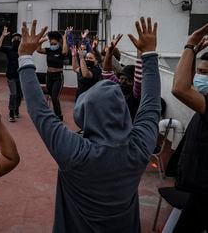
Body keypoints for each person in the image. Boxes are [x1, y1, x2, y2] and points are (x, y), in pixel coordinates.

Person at [18, 18, 160, 232]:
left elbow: (39, 110)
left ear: (84, 115)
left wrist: (25, 55)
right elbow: (151, 105)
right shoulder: (139, 147)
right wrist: (149, 54)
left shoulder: (74, 151)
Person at [171, 24, 208, 233]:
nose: (199, 77)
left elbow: (180, 88)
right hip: (199, 188)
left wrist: (190, 43)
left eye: (204, 73)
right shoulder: (203, 99)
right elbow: (189, 85)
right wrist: (192, 53)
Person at [102, 34, 143, 121]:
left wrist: (140, 51)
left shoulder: (135, 94)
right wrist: (109, 52)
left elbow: (139, 78)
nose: (123, 82)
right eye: (121, 78)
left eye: (128, 80)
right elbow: (106, 72)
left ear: (134, 82)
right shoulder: (118, 86)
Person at [36, 30, 69, 121]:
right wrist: (42, 40)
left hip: (58, 77)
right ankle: (53, 114)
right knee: (50, 95)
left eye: (54, 43)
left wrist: (64, 38)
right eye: (51, 43)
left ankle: (59, 115)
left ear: (58, 43)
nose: (53, 45)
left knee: (55, 97)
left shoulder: (61, 50)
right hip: (49, 76)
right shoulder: (49, 50)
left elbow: (65, 52)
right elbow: (38, 49)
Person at [0, 26, 22, 122]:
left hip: (21, 76)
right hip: (11, 75)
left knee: (19, 95)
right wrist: (3, 36)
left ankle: (16, 110)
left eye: (18, 38)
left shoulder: (22, 50)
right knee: (13, 94)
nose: (16, 40)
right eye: (15, 38)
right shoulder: (9, 49)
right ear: (11, 40)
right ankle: (11, 112)